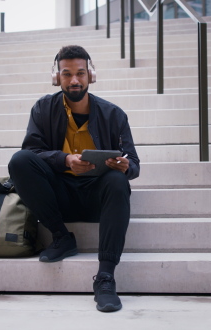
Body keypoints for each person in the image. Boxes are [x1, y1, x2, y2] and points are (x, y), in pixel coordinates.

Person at [8, 45, 140, 312]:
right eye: (67, 74)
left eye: (80, 73)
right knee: (19, 161)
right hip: (59, 195)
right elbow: (31, 151)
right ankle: (61, 236)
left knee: (117, 181)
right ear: (57, 77)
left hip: (97, 197)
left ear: (91, 74)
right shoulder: (43, 108)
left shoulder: (114, 114)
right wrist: (65, 159)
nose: (74, 80)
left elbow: (134, 163)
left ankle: (105, 277)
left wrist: (125, 166)